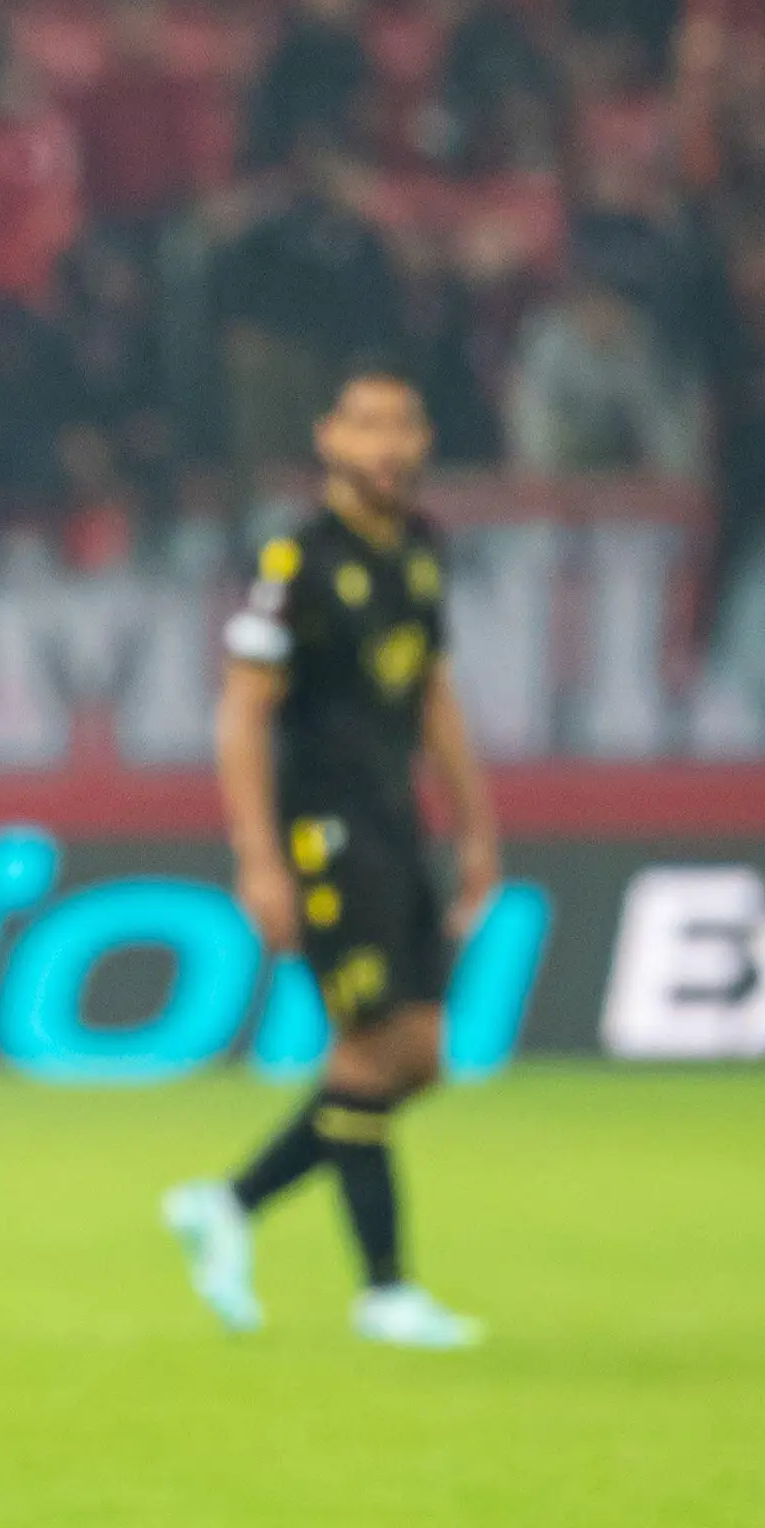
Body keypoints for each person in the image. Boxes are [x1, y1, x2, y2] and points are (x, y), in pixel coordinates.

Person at [163, 372, 495, 1351]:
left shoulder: (421, 549)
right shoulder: (297, 560)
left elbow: (433, 691)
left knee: (420, 1055)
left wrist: (476, 824)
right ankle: (385, 1288)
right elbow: (243, 708)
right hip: (326, 831)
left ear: (424, 438)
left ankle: (228, 1201)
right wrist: (259, 856)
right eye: (365, 425)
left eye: (401, 423)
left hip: (398, 824)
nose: (385, 444)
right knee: (364, 1052)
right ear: (328, 440)